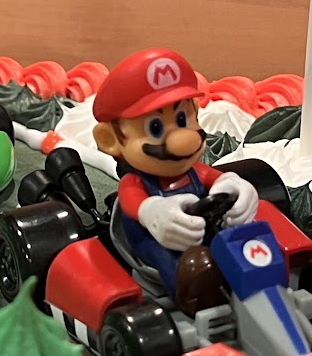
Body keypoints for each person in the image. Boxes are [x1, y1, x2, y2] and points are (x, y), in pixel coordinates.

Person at [90, 47, 257, 297]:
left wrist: (235, 185)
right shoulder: (135, 183)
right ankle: (191, 296)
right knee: (176, 260)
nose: (182, 140)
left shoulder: (197, 172)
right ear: (110, 140)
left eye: (182, 120)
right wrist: (154, 212)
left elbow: (217, 178)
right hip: (155, 240)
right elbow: (136, 203)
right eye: (155, 128)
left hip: (206, 233)